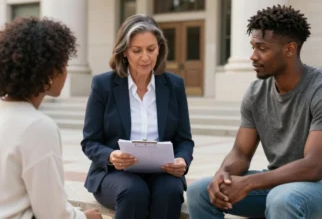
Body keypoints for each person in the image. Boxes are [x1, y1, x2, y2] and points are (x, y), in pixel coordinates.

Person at [187, 5, 322, 219]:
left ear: (289, 49)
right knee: (199, 192)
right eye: (252, 47)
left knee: (283, 199)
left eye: (262, 48)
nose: (252, 56)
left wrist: (248, 183)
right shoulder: (256, 92)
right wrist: (224, 173)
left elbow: (313, 166)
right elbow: (240, 153)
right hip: (277, 182)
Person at [81, 14, 194, 219]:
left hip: (162, 171)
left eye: (151, 49)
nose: (145, 57)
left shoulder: (174, 85)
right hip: (115, 173)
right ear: (124, 51)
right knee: (134, 192)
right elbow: (90, 141)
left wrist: (182, 160)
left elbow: (184, 139)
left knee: (170, 192)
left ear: (159, 49)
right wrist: (110, 156)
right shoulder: (103, 85)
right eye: (137, 50)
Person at [0, 17, 102, 219]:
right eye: (63, 64)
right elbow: (53, 214)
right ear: (49, 72)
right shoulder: (37, 127)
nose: (66, 71)